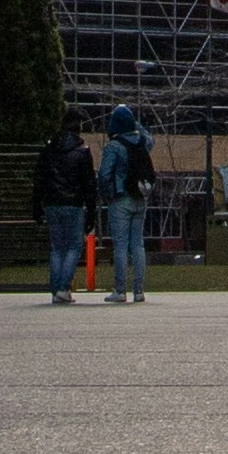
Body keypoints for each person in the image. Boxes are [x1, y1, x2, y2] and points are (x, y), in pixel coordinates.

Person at [99, 105, 155, 310]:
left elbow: (104, 174)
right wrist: (135, 123)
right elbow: (151, 138)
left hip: (121, 198)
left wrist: (108, 194)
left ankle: (120, 290)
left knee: (121, 245)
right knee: (138, 244)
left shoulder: (114, 146)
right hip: (140, 197)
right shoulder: (143, 142)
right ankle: (139, 290)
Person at [38, 110, 94, 304]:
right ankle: (63, 287)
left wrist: (37, 204)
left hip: (52, 203)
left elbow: (40, 178)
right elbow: (89, 185)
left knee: (57, 248)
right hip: (74, 204)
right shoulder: (82, 152)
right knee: (74, 246)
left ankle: (56, 290)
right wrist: (91, 213)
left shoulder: (49, 150)